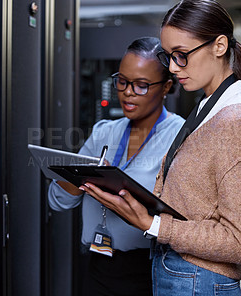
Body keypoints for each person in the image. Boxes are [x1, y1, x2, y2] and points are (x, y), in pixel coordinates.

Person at [79, 1, 241, 295]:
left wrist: (151, 223)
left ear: (219, 46)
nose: (172, 67)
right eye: (168, 56)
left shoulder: (238, 121)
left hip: (198, 280)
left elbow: (240, 242)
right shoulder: (208, 110)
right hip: (181, 275)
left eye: (181, 56)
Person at [48, 36, 185, 296]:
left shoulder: (181, 137)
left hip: (153, 270)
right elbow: (58, 202)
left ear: (166, 87)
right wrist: (82, 176)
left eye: (141, 85)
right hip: (100, 266)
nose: (128, 92)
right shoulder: (103, 133)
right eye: (122, 81)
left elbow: (184, 216)